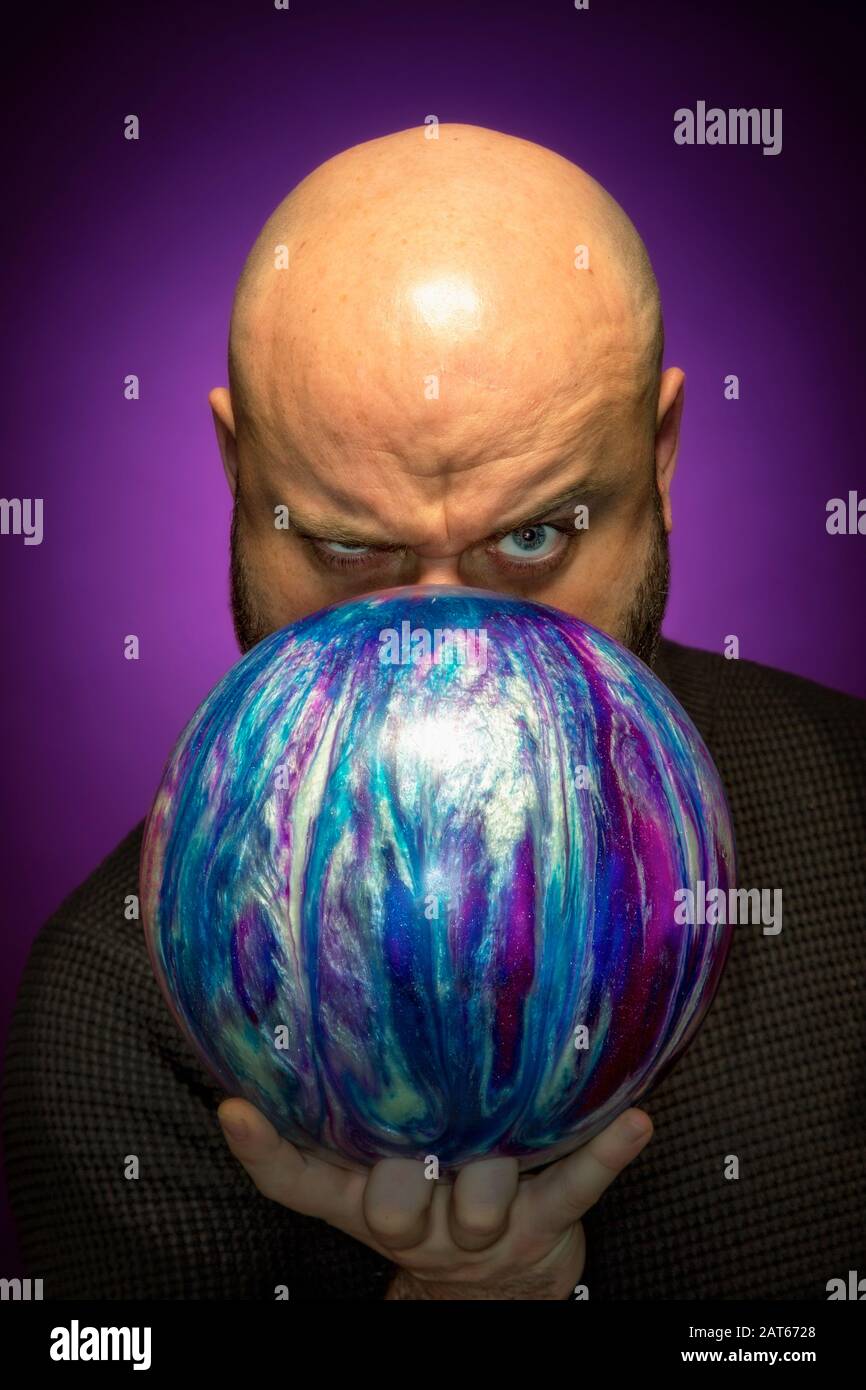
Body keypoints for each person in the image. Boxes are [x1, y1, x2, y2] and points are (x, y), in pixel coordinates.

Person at [4, 124, 864, 1301]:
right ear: (238, 480)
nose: (445, 658)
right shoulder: (107, 1020)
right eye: (352, 546)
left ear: (658, 458)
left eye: (532, 536)